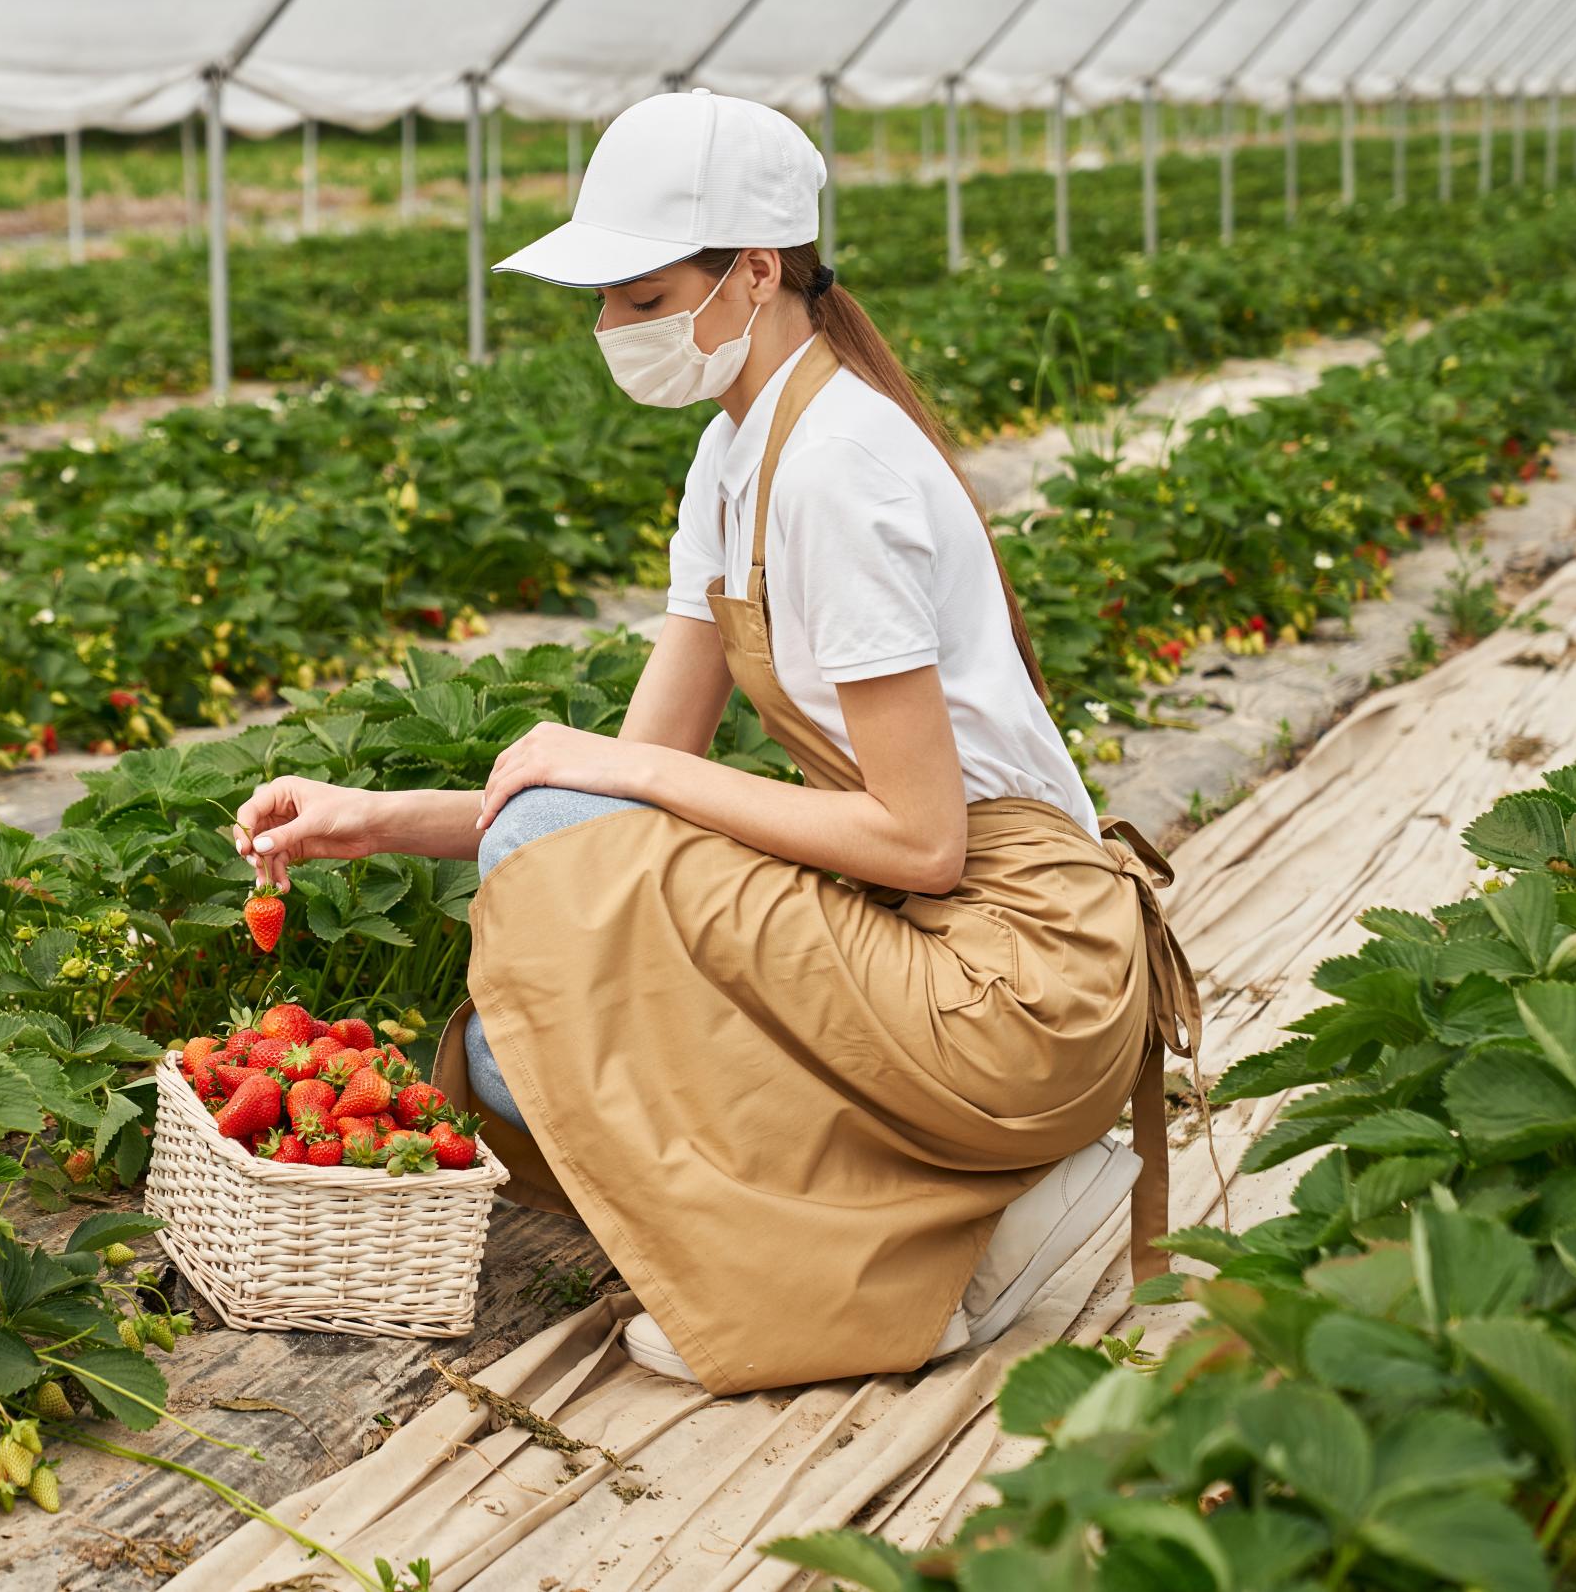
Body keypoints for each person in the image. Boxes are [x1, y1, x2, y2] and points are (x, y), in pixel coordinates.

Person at [230, 90, 1198, 1396]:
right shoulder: (737, 453)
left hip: (1023, 983)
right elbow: (598, 802)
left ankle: (923, 1246)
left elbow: (918, 841)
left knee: (562, 945)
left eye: (639, 296)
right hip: (942, 945)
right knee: (537, 985)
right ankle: (930, 1217)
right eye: (605, 301)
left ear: (754, 272)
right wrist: (376, 817)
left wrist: (634, 775)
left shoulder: (840, 469)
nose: (610, 329)